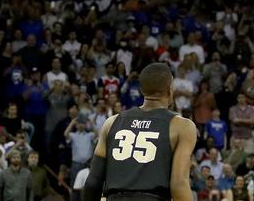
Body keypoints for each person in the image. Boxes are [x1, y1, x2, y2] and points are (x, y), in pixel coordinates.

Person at [82, 63, 198, 201]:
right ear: (169, 89)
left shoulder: (111, 122)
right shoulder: (182, 126)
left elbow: (92, 183)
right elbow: (179, 185)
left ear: (141, 90)